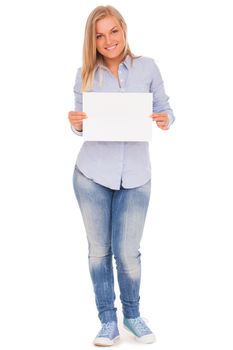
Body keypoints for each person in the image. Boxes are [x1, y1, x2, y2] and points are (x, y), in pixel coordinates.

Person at [68, 5, 175, 347]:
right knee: (98, 252)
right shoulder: (85, 73)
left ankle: (132, 315)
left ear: (123, 30)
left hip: (136, 177)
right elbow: (81, 126)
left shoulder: (147, 68)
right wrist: (76, 123)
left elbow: (166, 109)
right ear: (93, 40)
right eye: (99, 35)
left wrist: (164, 120)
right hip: (91, 175)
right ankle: (107, 321)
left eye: (113, 31)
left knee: (128, 252)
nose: (108, 40)